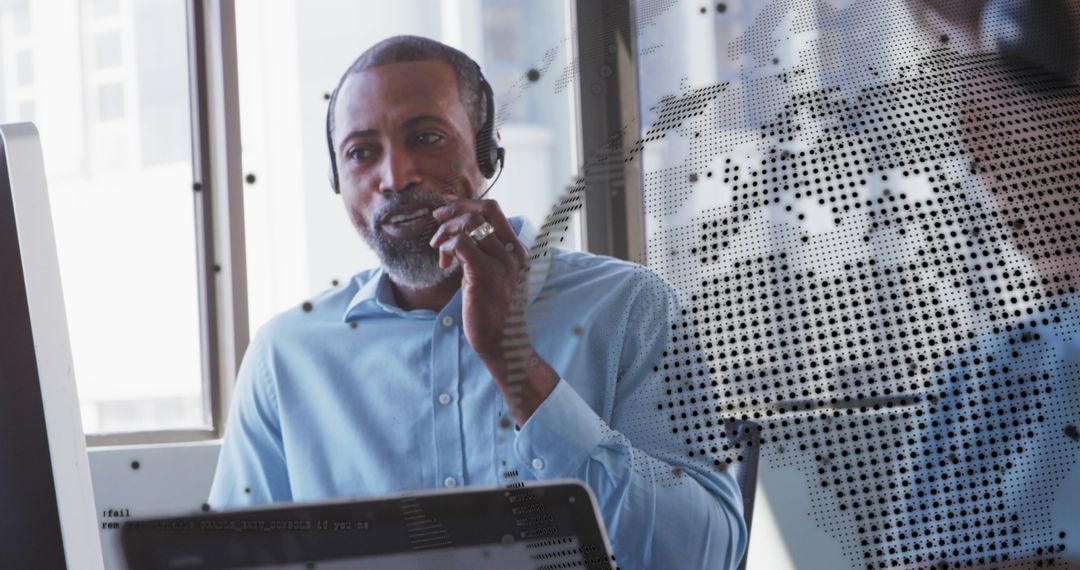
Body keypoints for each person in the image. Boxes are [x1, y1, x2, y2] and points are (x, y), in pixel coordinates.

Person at [207, 35, 747, 569]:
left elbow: (708, 555)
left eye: (426, 138)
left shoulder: (629, 308)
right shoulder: (286, 356)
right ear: (338, 180)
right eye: (361, 153)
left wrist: (517, 369)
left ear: (486, 154)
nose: (395, 177)